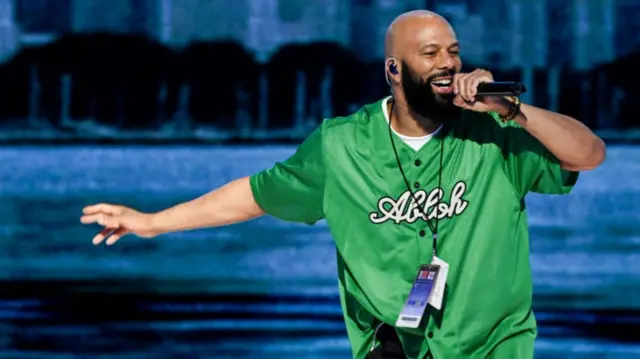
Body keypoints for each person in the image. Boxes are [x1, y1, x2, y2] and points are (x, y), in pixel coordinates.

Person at [80, 10, 606, 359]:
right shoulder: (341, 145)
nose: (448, 63)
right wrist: (151, 222)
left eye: (453, 50)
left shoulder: (496, 132)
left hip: (497, 346)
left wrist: (512, 109)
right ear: (394, 70)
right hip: (391, 347)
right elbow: (254, 195)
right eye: (431, 54)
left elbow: (589, 154)